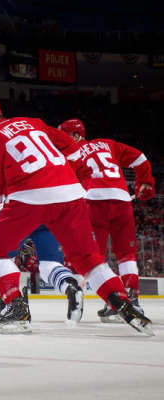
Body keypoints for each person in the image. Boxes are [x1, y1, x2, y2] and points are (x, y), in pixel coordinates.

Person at [0, 95, 152, 335]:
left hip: (30, 197)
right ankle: (123, 303)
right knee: (88, 258)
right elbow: (72, 149)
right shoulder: (34, 122)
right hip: (70, 194)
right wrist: (74, 173)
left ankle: (15, 307)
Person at [58, 118, 156, 322]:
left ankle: (116, 301)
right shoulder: (108, 144)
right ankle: (132, 300)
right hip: (121, 200)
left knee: (94, 257)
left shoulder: (72, 154)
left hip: (94, 202)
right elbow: (140, 157)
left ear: (76, 136)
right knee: (126, 255)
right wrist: (145, 181)